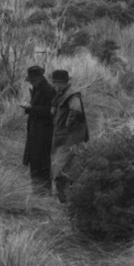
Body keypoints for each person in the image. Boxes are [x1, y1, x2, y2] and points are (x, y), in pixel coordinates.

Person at [50, 69, 88, 203]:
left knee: (58, 168)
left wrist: (67, 125)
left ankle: (67, 198)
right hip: (63, 137)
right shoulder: (62, 94)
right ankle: (67, 198)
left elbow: (76, 111)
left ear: (61, 83)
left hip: (69, 138)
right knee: (66, 168)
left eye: (55, 83)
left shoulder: (72, 95)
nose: (54, 86)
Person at [21, 65, 56, 195]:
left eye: (32, 80)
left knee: (43, 161)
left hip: (44, 131)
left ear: (40, 78)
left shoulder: (49, 90)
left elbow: (52, 111)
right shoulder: (37, 88)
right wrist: (30, 108)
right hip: (35, 129)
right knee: (34, 159)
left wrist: (31, 108)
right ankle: (36, 190)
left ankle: (44, 191)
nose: (31, 82)